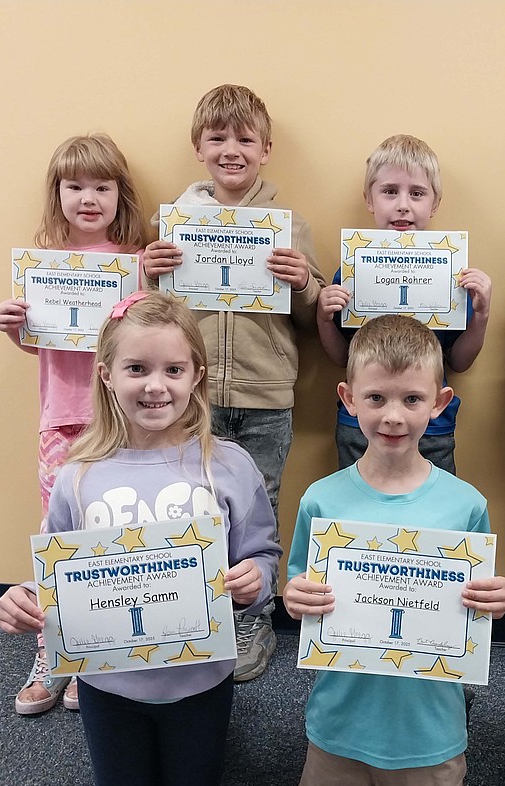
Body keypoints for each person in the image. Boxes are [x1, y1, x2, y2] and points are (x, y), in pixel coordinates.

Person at [0, 291, 281, 786]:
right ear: (105, 375)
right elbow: (55, 579)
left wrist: (255, 579)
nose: (156, 385)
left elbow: (263, 554)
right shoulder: (77, 475)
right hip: (108, 687)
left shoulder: (231, 466)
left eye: (173, 368)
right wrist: (22, 602)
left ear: (197, 374)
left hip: (202, 681)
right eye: (136, 368)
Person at [284, 314, 505, 786]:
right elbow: (302, 590)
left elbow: (474, 610)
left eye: (412, 399)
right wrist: (297, 597)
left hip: (428, 732)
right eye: (376, 398)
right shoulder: (321, 500)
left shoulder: (466, 505)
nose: (393, 416)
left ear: (439, 403)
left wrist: (493, 603)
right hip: (338, 723)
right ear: (347, 400)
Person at [143, 84, 325, 682]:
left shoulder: (288, 227)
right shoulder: (171, 226)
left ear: (266, 149)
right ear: (198, 146)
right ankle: (191, 612)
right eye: (217, 137)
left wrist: (305, 284)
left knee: (259, 510)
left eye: (244, 138)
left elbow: (312, 318)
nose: (231, 149)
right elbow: (151, 318)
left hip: (267, 395)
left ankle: (254, 621)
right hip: (191, 397)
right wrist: (148, 274)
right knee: (190, 507)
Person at [0, 133, 148, 714]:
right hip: (61, 424)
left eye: (102, 187)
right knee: (61, 540)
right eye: (75, 186)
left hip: (124, 422)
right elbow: (46, 348)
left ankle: (97, 655)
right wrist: (16, 327)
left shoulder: (134, 265)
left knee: (114, 537)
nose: (89, 198)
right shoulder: (41, 268)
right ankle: (51, 653)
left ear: (119, 195)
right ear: (57, 194)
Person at [316, 134, 492, 473]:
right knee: (358, 519)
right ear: (369, 199)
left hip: (432, 424)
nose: (402, 204)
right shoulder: (352, 269)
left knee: (431, 517)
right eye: (389, 191)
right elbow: (340, 357)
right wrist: (324, 319)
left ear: (434, 203)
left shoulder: (451, 273)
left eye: (417, 193)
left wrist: (481, 314)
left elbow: (459, 361)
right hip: (361, 423)